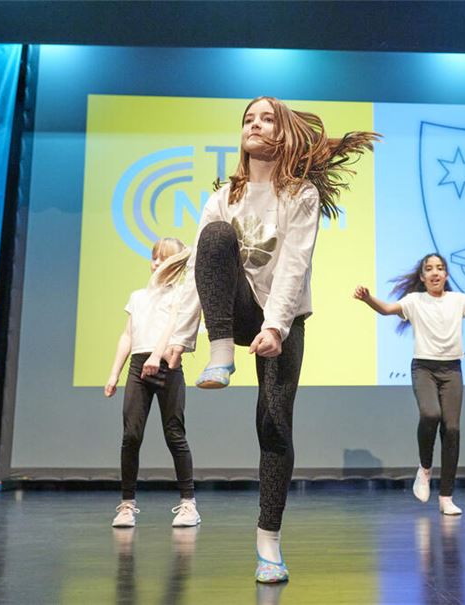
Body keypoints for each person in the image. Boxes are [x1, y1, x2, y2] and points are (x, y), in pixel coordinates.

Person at [188, 97, 378, 581]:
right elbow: (198, 270)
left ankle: (268, 541)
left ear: (284, 131)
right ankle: (221, 352)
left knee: (273, 424)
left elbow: (295, 264)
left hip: (281, 317)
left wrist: (275, 326)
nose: (255, 124)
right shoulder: (223, 196)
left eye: (266, 117)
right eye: (248, 118)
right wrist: (181, 338)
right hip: (234, 311)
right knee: (212, 238)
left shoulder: (300, 193)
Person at [353, 253, 465, 515]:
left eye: (440, 268)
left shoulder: (458, 300)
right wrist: (369, 298)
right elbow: (387, 309)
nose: (435, 273)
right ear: (423, 277)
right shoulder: (414, 301)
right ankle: (425, 470)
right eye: (429, 269)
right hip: (424, 368)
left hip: (452, 370)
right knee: (430, 414)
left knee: (452, 430)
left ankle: (446, 497)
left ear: (446, 275)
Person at [105, 238, 200, 529]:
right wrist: (114, 373)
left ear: (175, 263)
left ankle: (188, 504)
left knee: (174, 433)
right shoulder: (138, 296)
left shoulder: (182, 294)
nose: (156, 263)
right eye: (154, 257)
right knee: (131, 435)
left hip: (167, 366)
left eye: (163, 258)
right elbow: (127, 336)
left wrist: (157, 356)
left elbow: (173, 326)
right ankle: (127, 505)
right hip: (138, 366)